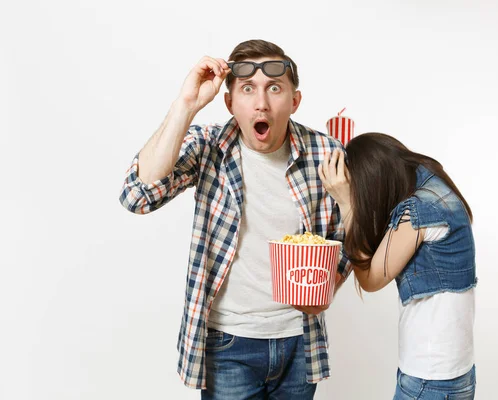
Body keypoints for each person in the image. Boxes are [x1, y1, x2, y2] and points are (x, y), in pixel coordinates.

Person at [119, 39, 352, 399]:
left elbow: (351, 233)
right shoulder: (210, 145)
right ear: (230, 103)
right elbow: (138, 196)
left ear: (294, 101)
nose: (261, 103)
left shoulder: (326, 153)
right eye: (247, 89)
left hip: (300, 341)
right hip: (228, 345)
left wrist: (331, 285)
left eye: (274, 89)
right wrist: (186, 105)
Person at [318, 133, 477, 399]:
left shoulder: (417, 213)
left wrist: (346, 203)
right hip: (454, 372)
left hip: (429, 377)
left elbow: (370, 280)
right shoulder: (434, 185)